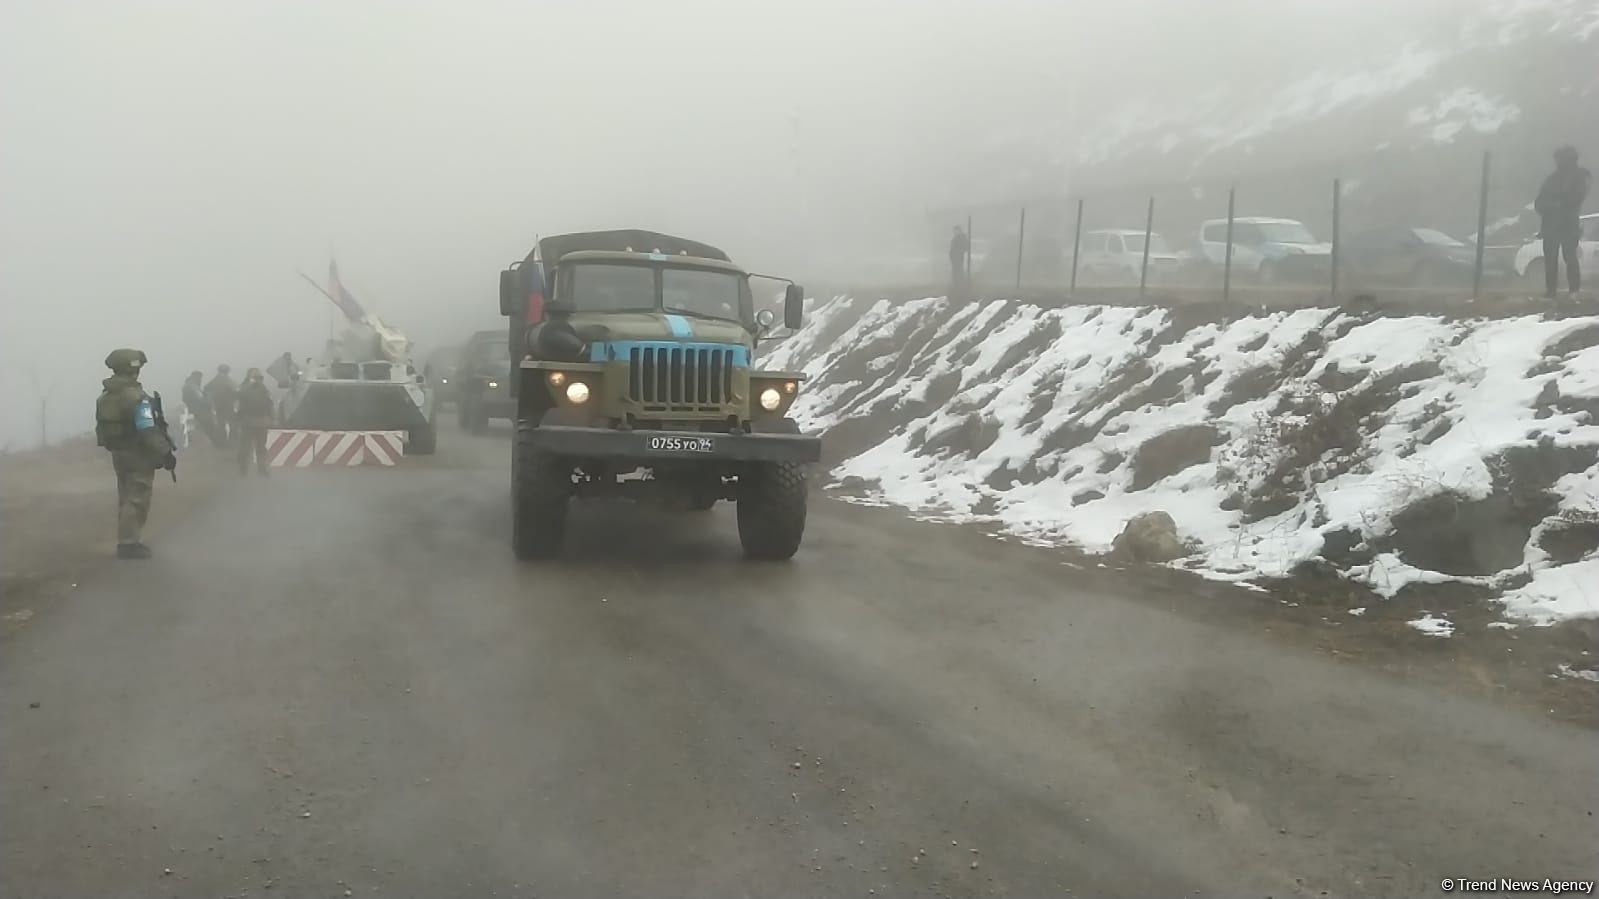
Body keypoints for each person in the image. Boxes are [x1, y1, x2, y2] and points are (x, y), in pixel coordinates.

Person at [95, 349, 177, 560]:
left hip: (119, 451)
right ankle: (129, 544)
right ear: (134, 368)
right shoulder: (135, 396)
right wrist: (165, 452)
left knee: (126, 495)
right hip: (138, 452)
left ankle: (126, 539)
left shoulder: (107, 395)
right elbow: (147, 427)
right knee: (138, 497)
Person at [1534, 145, 1591, 298]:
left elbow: (1574, 200)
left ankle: (1574, 291)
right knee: (1550, 259)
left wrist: (1553, 205)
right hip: (1551, 226)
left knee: (1570, 257)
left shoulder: (1579, 177)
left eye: (1559, 158)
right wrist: (1554, 205)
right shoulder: (1551, 179)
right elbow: (1538, 203)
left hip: (1568, 225)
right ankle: (1551, 292)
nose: (1557, 161)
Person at [234, 367, 275, 476]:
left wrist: (238, 419)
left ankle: (243, 470)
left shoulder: (243, 389)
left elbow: (238, 407)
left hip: (247, 422)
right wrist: (271, 419)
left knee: (245, 447)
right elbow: (270, 405)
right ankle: (262, 469)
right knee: (261, 447)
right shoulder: (265, 389)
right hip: (262, 422)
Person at [203, 363, 238, 447]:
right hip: (228, 405)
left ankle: (222, 443)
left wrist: (211, 399)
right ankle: (231, 442)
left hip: (218, 406)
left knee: (221, 425)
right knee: (232, 424)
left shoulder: (215, 380)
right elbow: (236, 390)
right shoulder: (228, 380)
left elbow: (206, 388)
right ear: (227, 371)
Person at [181, 370, 215, 448]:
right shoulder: (192, 387)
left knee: (201, 427)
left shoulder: (188, 385)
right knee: (207, 426)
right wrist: (208, 396)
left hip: (194, 409)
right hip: (198, 410)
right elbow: (201, 399)